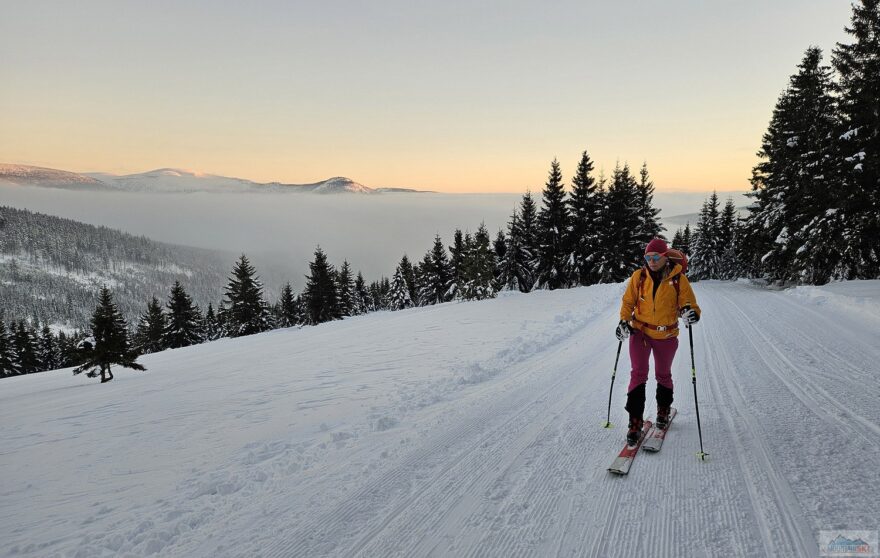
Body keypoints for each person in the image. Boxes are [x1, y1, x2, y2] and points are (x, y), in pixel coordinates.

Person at [616, 238, 700, 446]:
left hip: (666, 336)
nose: (651, 261)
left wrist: (691, 314)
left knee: (663, 374)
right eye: (648, 257)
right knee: (638, 374)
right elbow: (628, 302)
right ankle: (634, 423)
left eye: (655, 257)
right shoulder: (639, 276)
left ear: (665, 258)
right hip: (640, 333)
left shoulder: (678, 279)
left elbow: (689, 304)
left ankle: (663, 411)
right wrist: (623, 322)